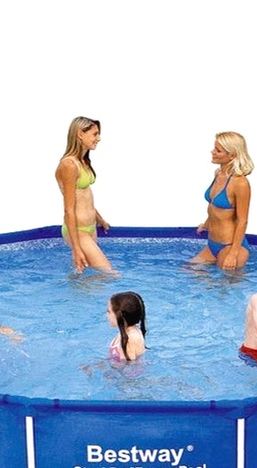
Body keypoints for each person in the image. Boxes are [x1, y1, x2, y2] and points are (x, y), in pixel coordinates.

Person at [55, 116, 113, 274]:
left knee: (82, 274)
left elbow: (84, 196)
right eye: (95, 134)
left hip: (90, 228)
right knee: (109, 274)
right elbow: (68, 209)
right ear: (80, 134)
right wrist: (76, 248)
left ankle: (73, 285)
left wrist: (100, 219)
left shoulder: (83, 161)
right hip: (78, 230)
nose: (98, 138)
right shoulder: (69, 165)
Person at [191, 131, 254, 271]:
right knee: (188, 271)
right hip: (212, 245)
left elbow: (242, 221)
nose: (212, 152)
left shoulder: (240, 183)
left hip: (230, 246)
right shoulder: (218, 173)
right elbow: (214, 206)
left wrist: (233, 254)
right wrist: (206, 224)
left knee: (224, 284)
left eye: (218, 150)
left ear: (232, 155)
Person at [106, 291, 147, 362]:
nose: (106, 315)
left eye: (109, 311)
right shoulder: (125, 332)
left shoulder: (131, 338)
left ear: (120, 316)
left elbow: (131, 366)